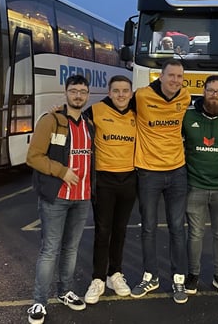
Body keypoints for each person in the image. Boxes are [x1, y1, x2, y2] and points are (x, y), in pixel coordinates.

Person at [26, 74, 95, 324]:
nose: (78, 95)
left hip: (82, 198)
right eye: (74, 90)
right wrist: (61, 171)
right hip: (56, 197)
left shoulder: (89, 124)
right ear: (65, 93)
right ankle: (39, 302)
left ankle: (65, 292)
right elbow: (33, 157)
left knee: (71, 249)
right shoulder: (51, 120)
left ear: (87, 95)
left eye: (83, 91)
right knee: (50, 250)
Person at [130, 58, 191, 304]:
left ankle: (178, 278)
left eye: (179, 76)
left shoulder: (185, 96)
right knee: (148, 227)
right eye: (171, 75)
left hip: (177, 171)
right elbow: (115, 105)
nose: (175, 80)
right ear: (160, 76)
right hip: (148, 172)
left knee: (177, 227)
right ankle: (150, 276)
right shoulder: (141, 96)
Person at [82, 75, 136, 304]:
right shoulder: (95, 111)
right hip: (104, 180)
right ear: (109, 92)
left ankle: (115, 273)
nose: (121, 95)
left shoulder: (137, 113)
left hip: (130, 180)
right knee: (103, 230)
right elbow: (73, 123)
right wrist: (58, 113)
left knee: (120, 229)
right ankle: (97, 278)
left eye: (125, 91)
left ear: (131, 93)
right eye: (116, 91)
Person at [182, 75, 218, 297]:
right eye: (210, 90)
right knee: (195, 234)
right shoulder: (187, 116)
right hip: (194, 185)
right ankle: (193, 274)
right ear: (203, 91)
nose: (214, 95)